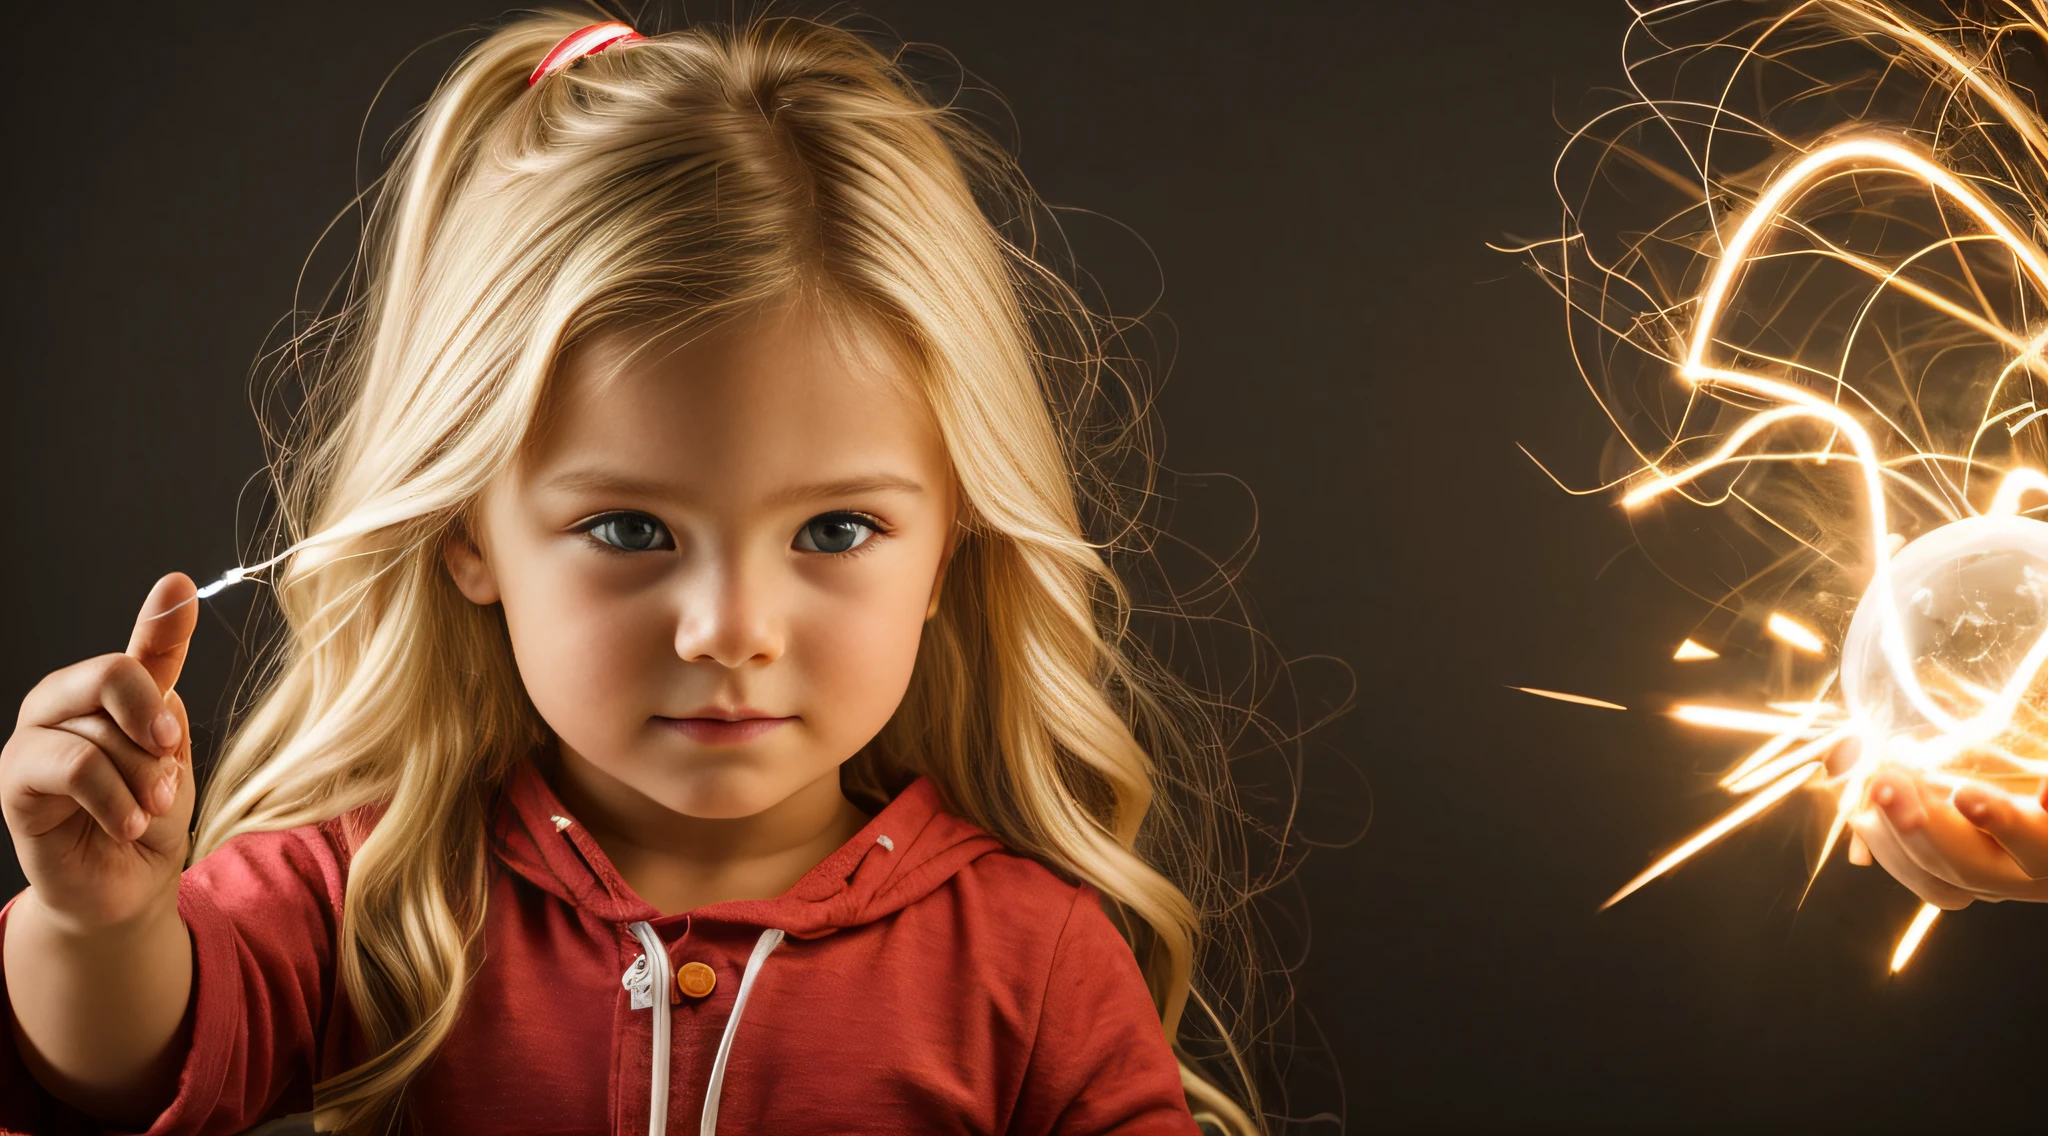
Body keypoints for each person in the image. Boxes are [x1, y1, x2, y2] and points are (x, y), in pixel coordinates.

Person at [0, 12, 1268, 1134]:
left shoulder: (1034, 964)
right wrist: (103, 923)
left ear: (951, 547)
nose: (730, 629)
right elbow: (115, 1071)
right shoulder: (375, 898)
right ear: (467, 533)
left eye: (833, 530)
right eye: (627, 530)